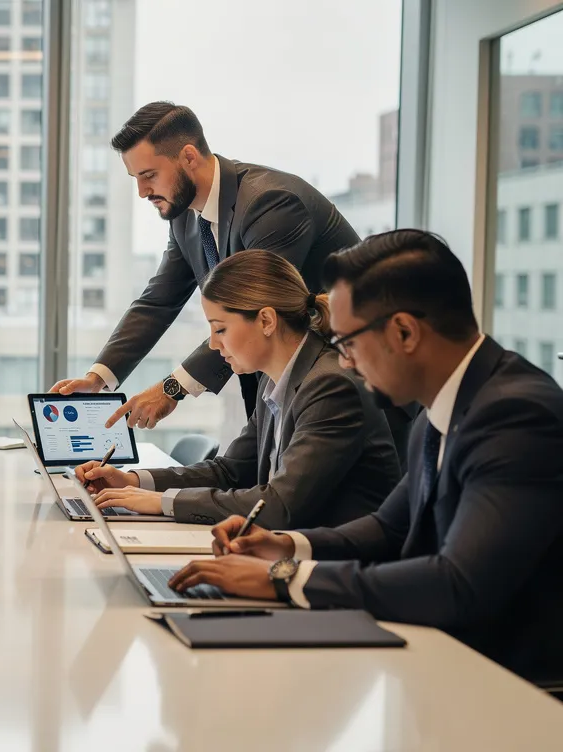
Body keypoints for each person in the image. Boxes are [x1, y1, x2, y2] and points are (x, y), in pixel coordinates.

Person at [167, 230, 563, 684]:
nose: (346, 362)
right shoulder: (443, 404)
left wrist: (284, 577)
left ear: (404, 331)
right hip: (436, 658)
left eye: (348, 343)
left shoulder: (515, 414)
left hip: (506, 684)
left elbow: (458, 582)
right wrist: (286, 545)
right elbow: (389, 528)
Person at [49, 101, 360, 432]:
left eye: (149, 175)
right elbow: (158, 301)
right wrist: (98, 378)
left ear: (188, 157)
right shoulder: (185, 218)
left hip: (348, 381)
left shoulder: (271, 205)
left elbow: (250, 313)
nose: (142, 192)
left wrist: (173, 387)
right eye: (135, 179)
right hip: (285, 384)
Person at [74, 250, 400, 529]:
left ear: (267, 321)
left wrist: (161, 501)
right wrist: (133, 481)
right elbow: (230, 472)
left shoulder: (330, 386)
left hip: (333, 575)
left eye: (221, 329)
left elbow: (279, 505)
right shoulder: (273, 380)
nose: (215, 345)